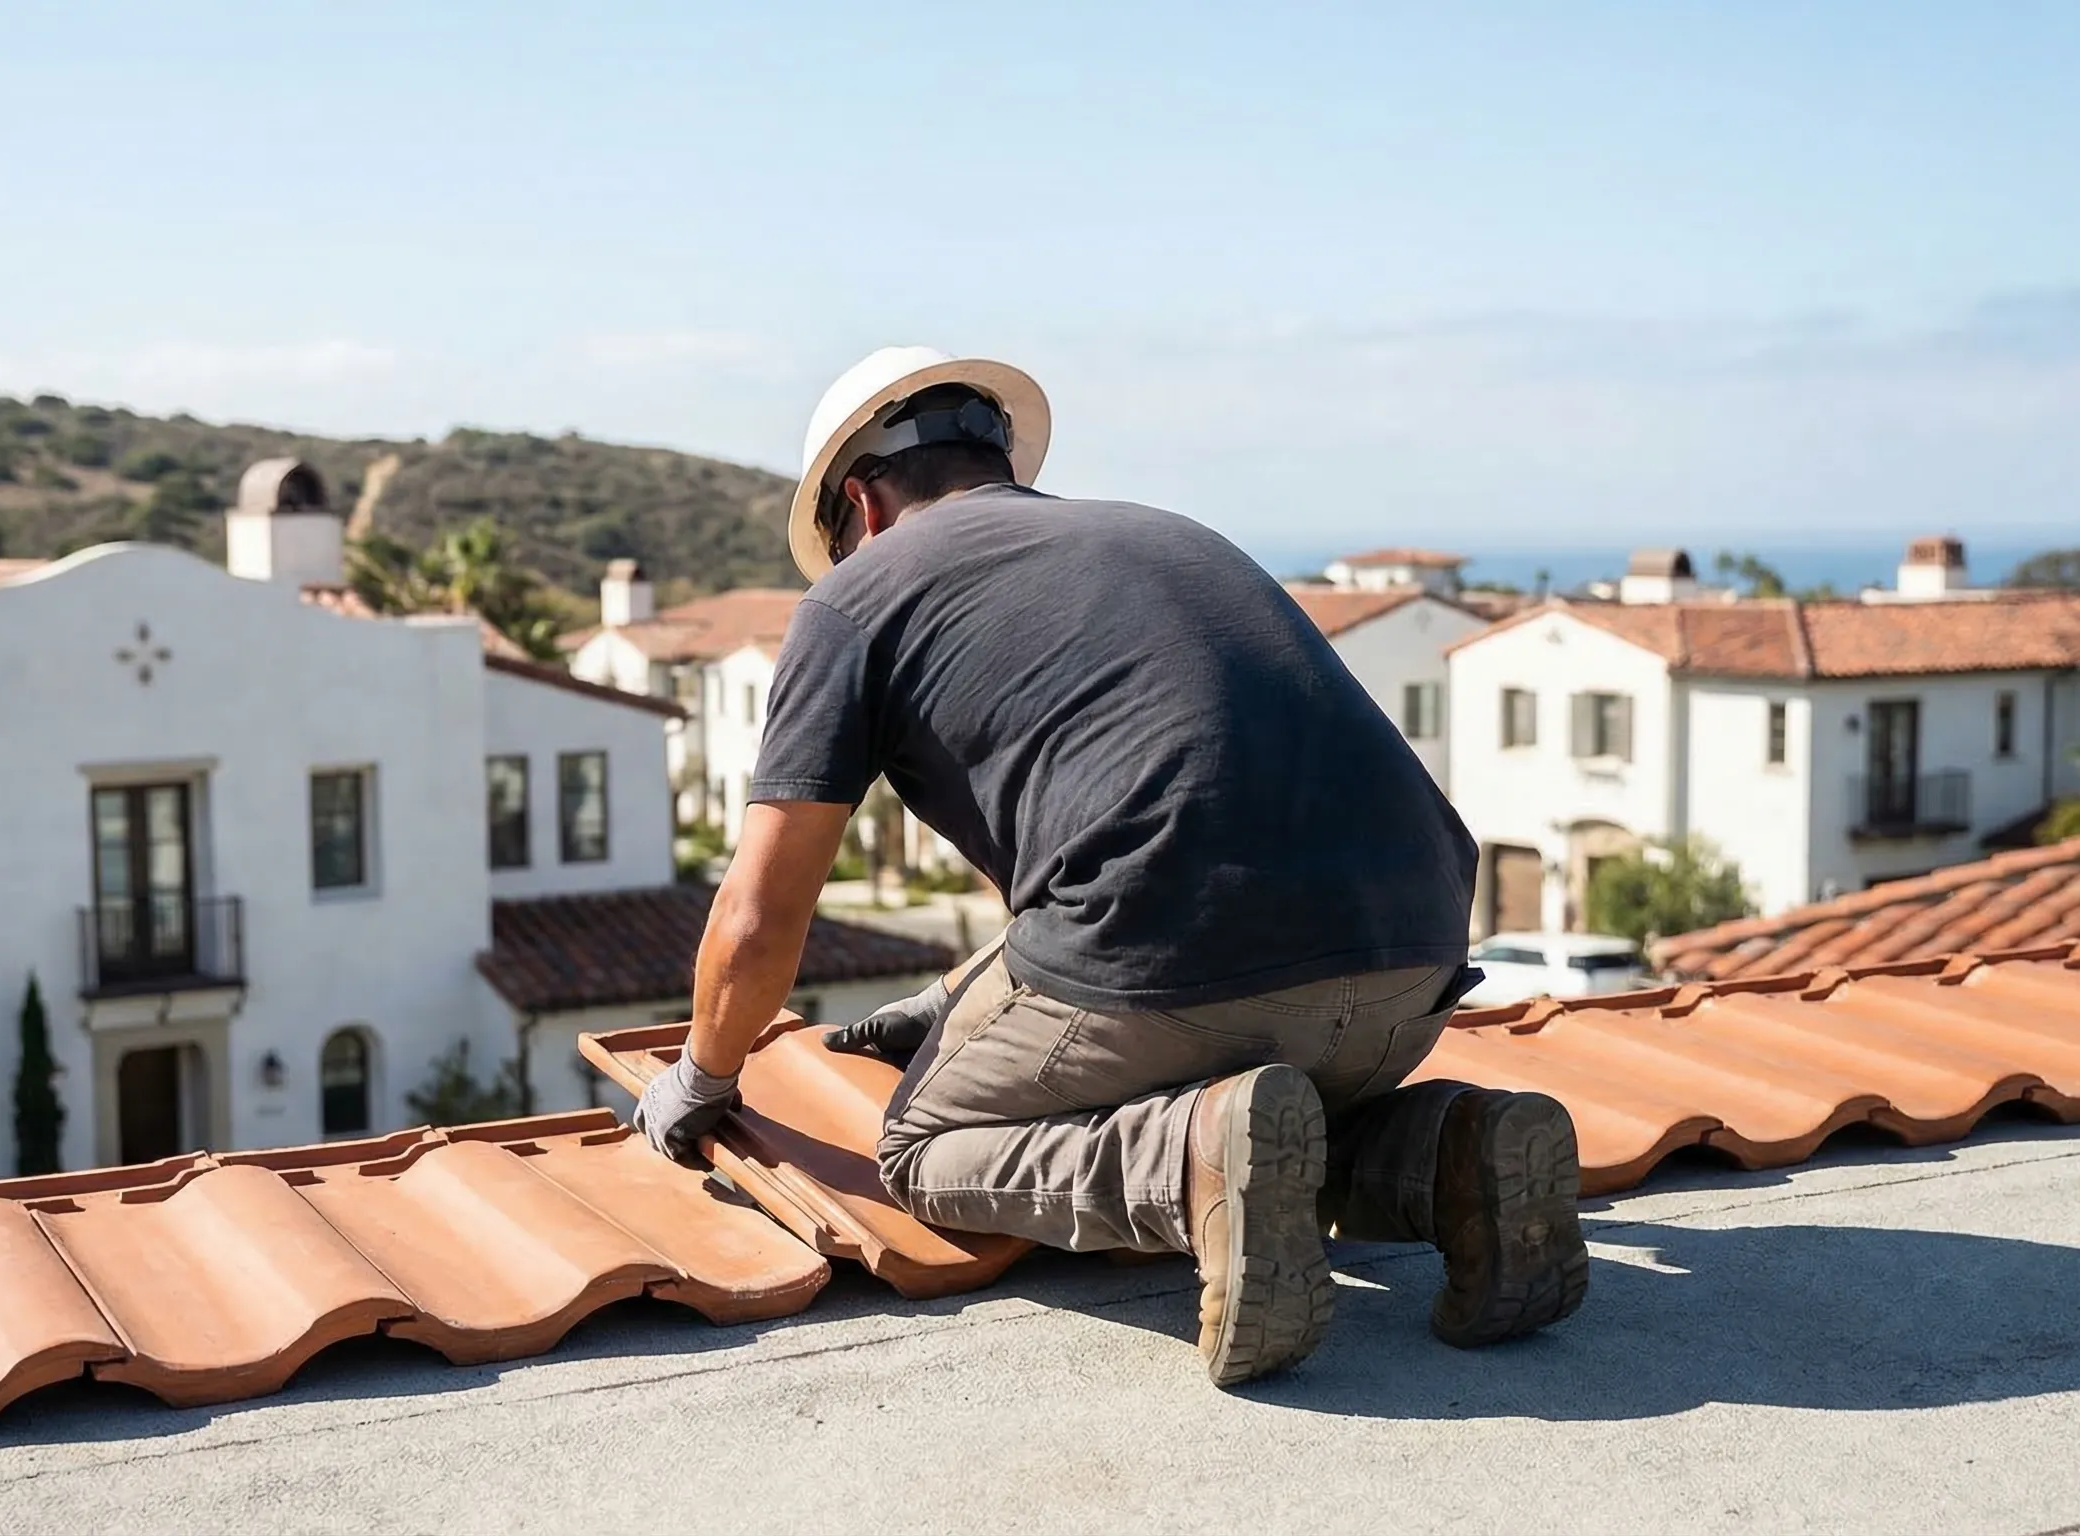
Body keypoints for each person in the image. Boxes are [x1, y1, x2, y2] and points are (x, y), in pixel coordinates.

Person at [635, 346, 1587, 1386]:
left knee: (925, 1150)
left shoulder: (855, 603)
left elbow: (763, 914)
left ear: (858, 505)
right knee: (1275, 1122)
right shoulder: (1173, 534)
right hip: (1416, 963)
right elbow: (1186, 806)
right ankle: (1450, 1153)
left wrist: (702, 1076)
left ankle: (1186, 1165)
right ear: (997, 458)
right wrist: (952, 999)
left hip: (1184, 967)